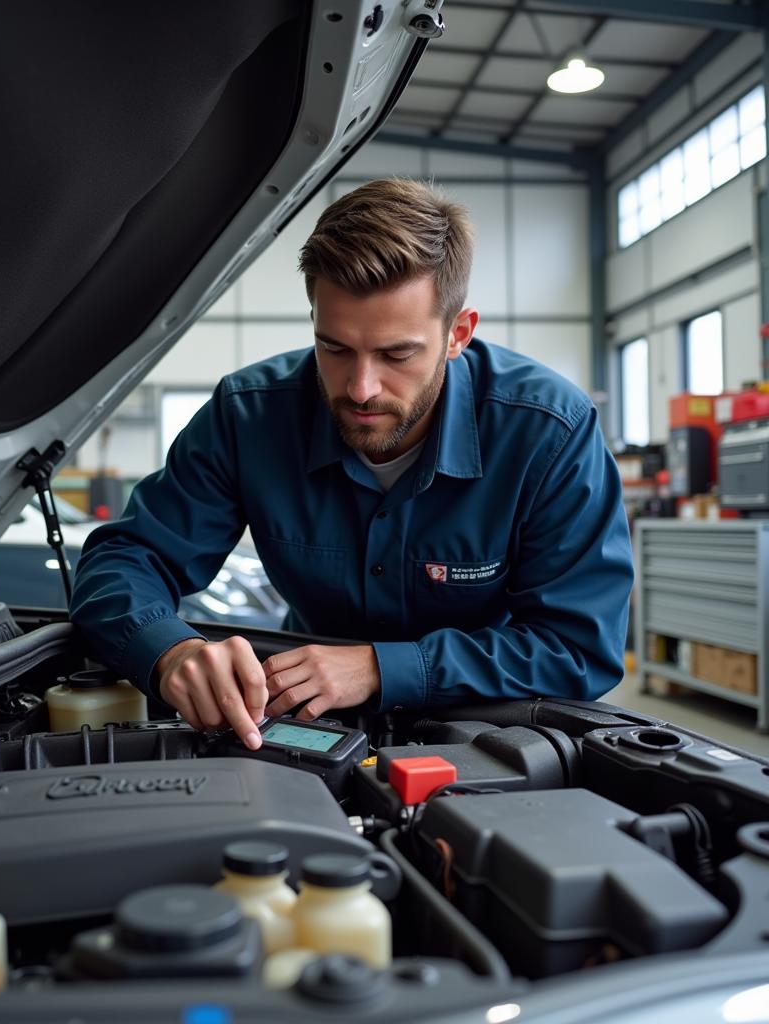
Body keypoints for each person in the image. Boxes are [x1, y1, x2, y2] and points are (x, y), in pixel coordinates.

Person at [70, 178, 633, 750]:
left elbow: (577, 647)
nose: (361, 388)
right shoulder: (248, 417)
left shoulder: (548, 431)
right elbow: (125, 559)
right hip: (302, 724)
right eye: (335, 349)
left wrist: (380, 668)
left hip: (491, 730)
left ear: (457, 334)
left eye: (397, 354)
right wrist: (170, 651)